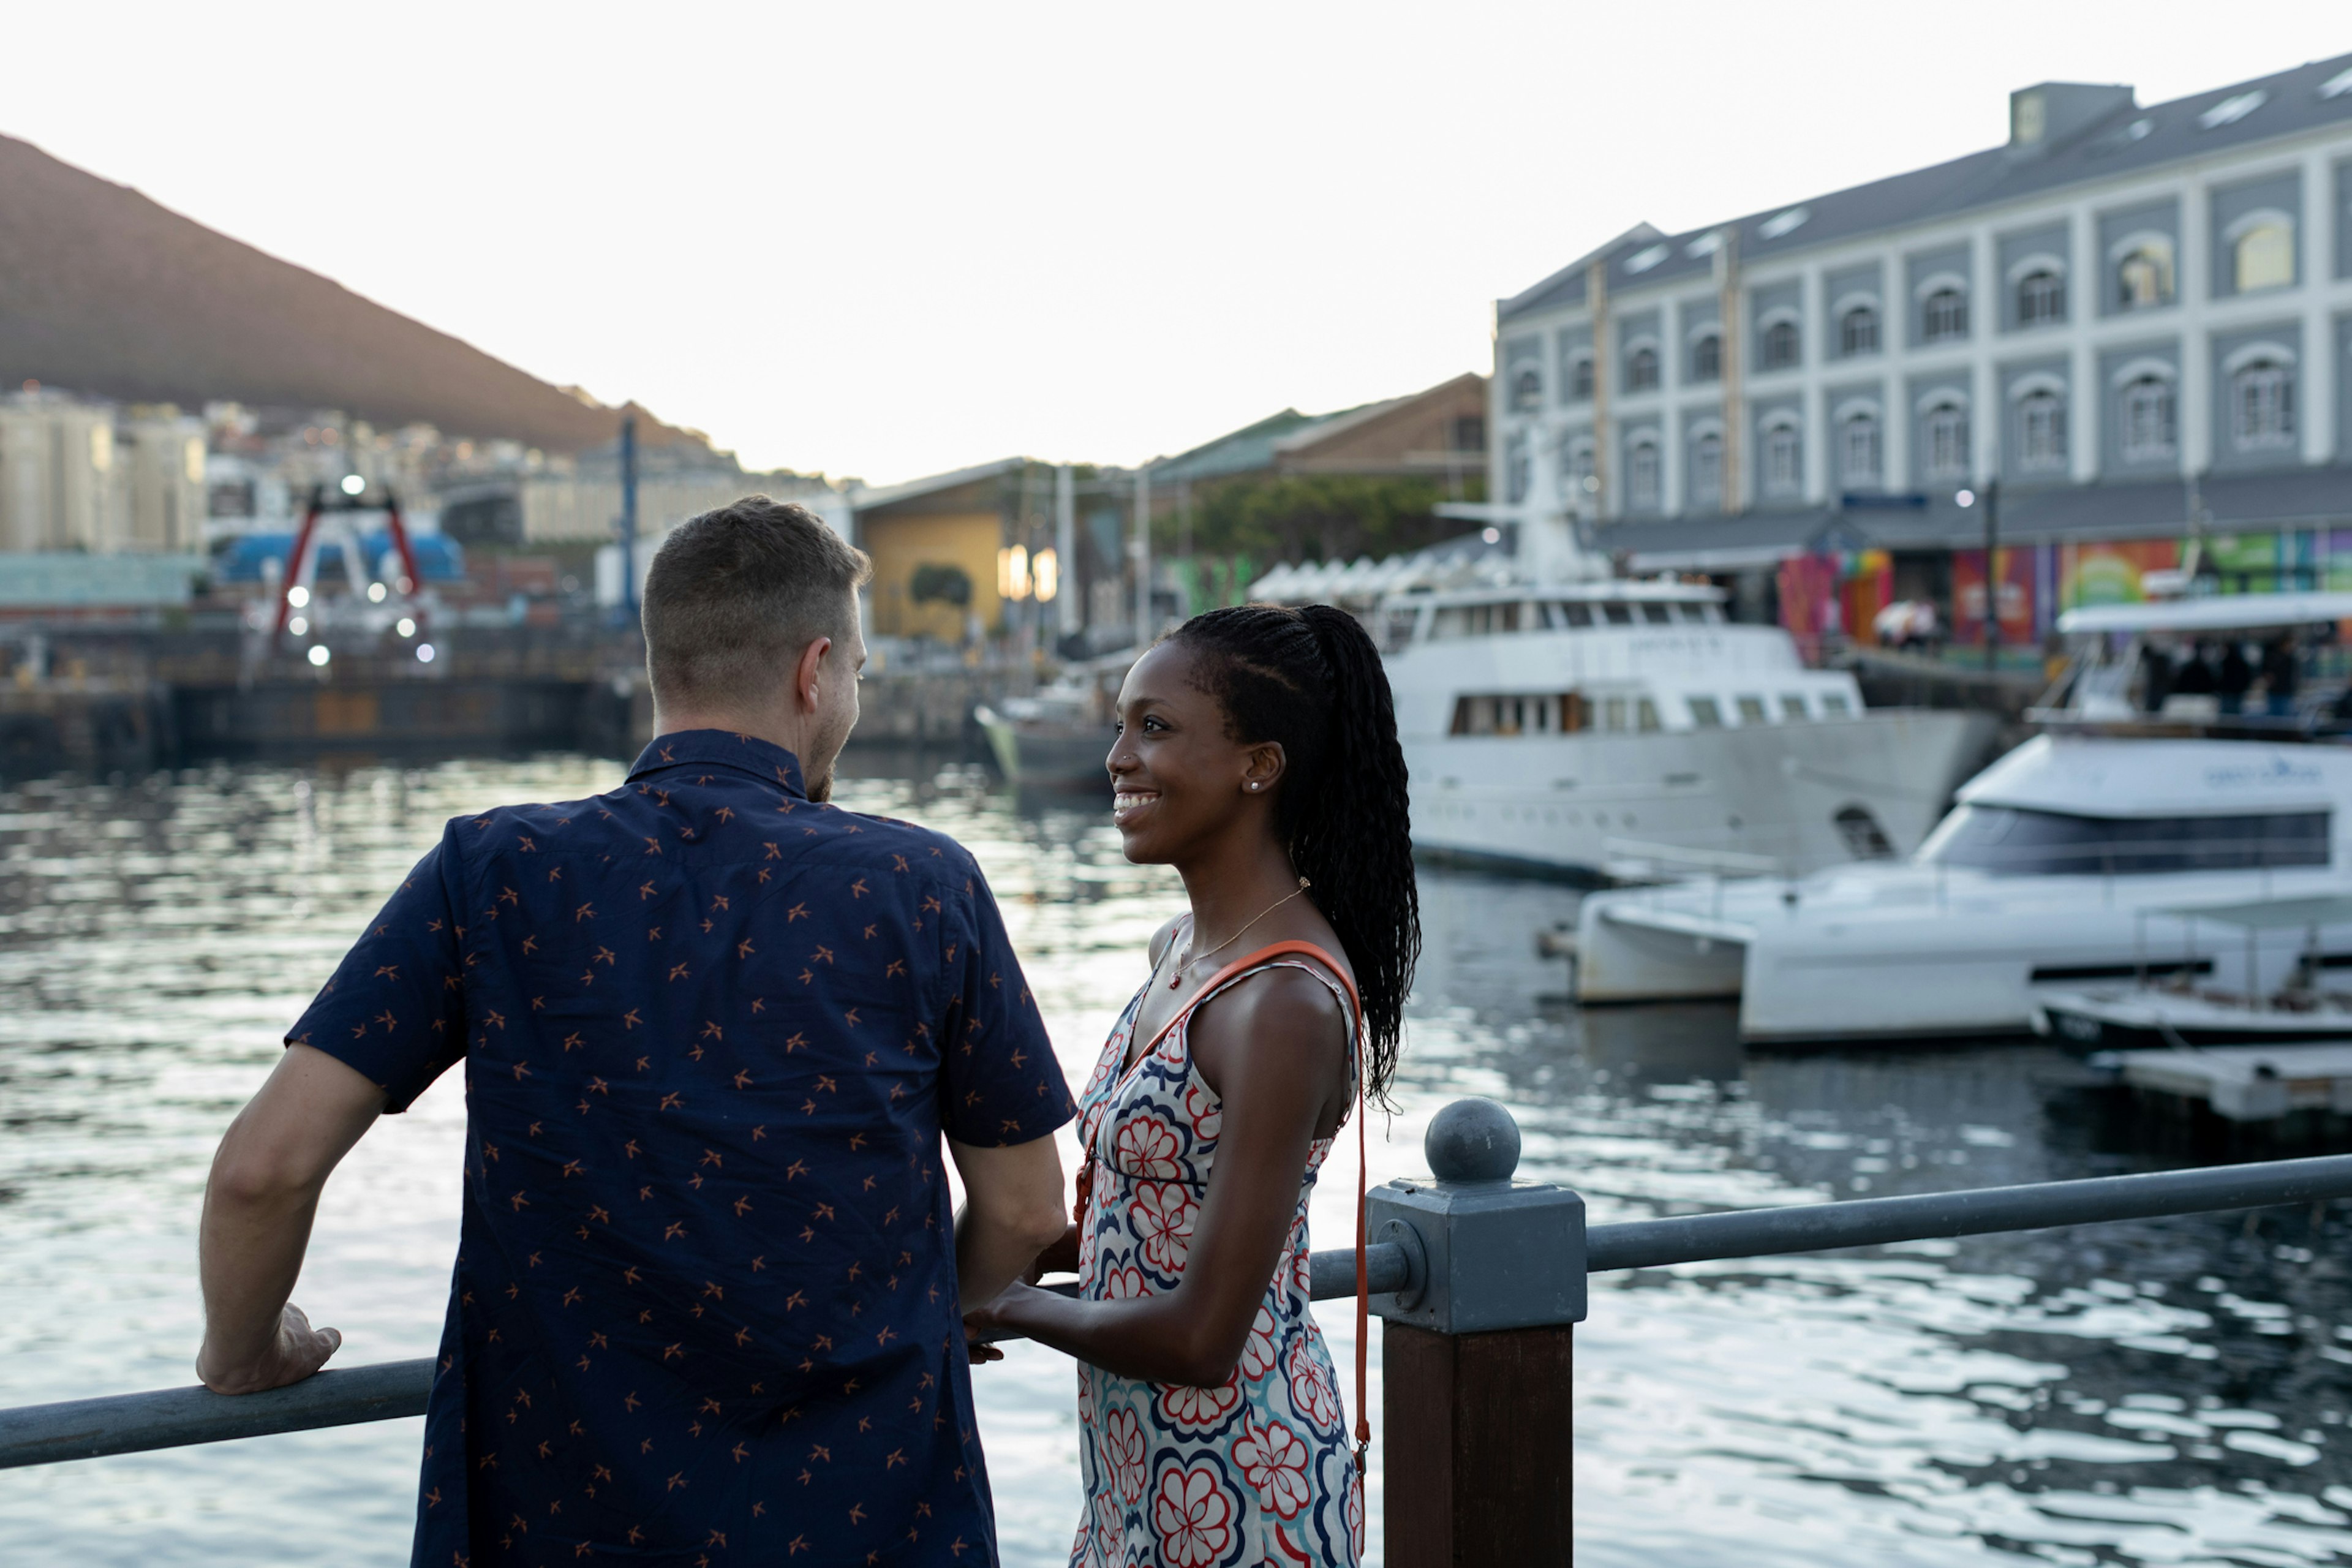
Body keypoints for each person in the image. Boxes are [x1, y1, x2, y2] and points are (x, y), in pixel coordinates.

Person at [194, 497, 1075, 1565]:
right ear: (814, 672)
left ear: (666, 663)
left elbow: (262, 1170)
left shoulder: (492, 871)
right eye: (859, 670)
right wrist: (946, 1312)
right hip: (866, 1518)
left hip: (555, 1523)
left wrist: (244, 1353)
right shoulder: (923, 884)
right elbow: (1028, 1209)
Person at [965, 603, 1419, 1567]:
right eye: (1123, 723)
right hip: (1140, 1482)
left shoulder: (1283, 1005)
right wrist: (944, 1256)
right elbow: (1138, 1220)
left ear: (1260, 764)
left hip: (1246, 1494)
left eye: (1156, 727)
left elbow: (1205, 1336)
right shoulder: (1179, 951)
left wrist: (1001, 1305)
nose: (1118, 757)